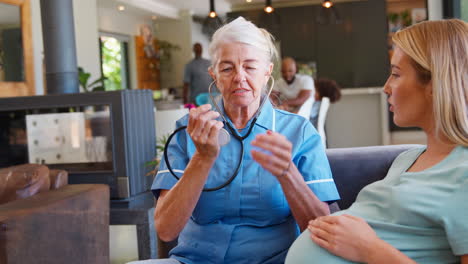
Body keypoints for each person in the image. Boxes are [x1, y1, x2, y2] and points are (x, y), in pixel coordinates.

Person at [135, 17, 340, 264]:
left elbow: (322, 228)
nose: (239, 77)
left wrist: (287, 173)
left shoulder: (300, 132)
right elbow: (166, 229)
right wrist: (202, 158)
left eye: (250, 67)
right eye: (227, 68)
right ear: (214, 74)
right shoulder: (188, 131)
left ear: (267, 72)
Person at [286, 19, 468, 264]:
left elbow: (366, 243)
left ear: (436, 83)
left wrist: (369, 249)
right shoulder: (406, 160)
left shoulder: (462, 174)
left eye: (395, 74)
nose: (386, 87)